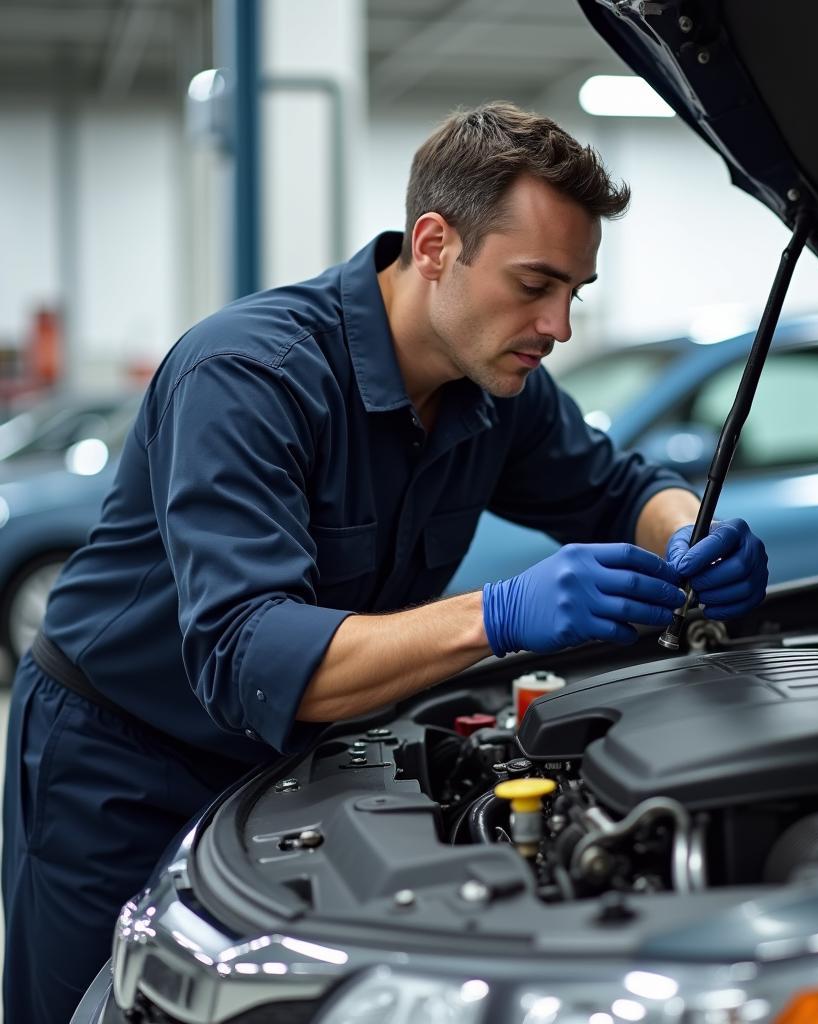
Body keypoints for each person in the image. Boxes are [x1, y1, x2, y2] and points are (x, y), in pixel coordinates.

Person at [2, 101, 768, 1023]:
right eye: (535, 283)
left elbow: (619, 487)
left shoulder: (497, 385)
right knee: (99, 1005)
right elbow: (250, 652)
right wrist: (497, 614)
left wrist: (687, 530)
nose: (559, 324)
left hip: (300, 758)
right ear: (436, 244)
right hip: (121, 758)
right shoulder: (251, 377)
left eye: (576, 290)